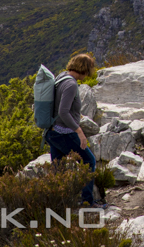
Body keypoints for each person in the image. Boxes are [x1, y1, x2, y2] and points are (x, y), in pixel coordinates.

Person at [45, 52, 103, 204]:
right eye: (90, 69)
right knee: (89, 161)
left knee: (58, 169)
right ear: (84, 69)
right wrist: (79, 131)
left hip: (52, 132)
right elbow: (63, 111)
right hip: (64, 133)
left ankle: (58, 202)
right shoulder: (71, 84)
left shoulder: (62, 76)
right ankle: (87, 202)